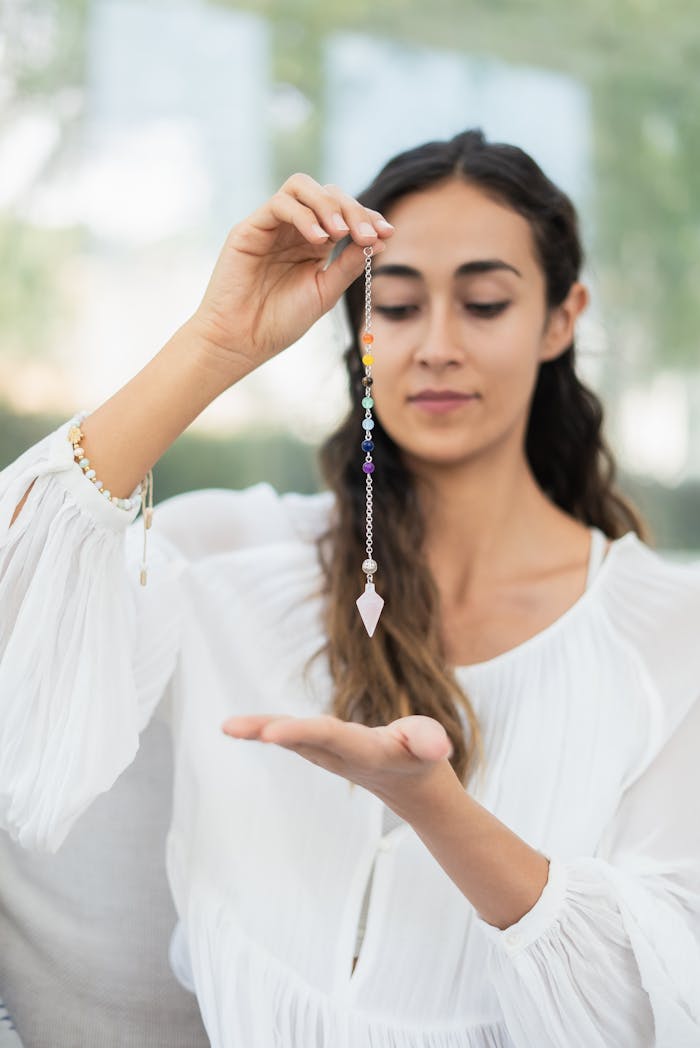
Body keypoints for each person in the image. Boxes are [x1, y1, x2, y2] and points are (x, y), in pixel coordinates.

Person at [1, 128, 699, 1047]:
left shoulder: (671, 635)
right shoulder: (232, 558)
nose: (437, 346)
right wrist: (216, 343)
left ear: (562, 318)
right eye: (397, 307)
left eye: (485, 303)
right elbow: (21, 598)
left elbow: (651, 1001)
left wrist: (433, 808)